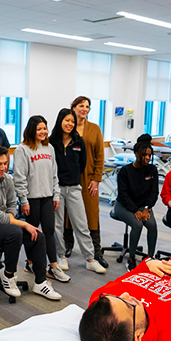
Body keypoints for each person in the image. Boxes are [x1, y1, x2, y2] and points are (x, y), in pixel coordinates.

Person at [0, 144, 62, 301]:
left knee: (37, 235)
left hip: (3, 224)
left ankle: (40, 282)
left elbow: (12, 205)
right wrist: (22, 224)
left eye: (5, 163)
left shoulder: (6, 179)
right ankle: (8, 274)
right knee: (16, 231)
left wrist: (13, 219)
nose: (3, 167)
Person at [50, 109, 106, 275]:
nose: (70, 124)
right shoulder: (51, 142)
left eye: (72, 122)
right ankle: (61, 256)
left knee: (81, 225)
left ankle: (90, 259)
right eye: (67, 120)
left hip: (74, 188)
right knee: (57, 226)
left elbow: (82, 165)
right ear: (60, 121)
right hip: (57, 189)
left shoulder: (78, 141)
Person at [13, 115, 68, 282]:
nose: (43, 131)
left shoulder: (49, 148)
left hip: (47, 197)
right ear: (31, 131)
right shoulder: (22, 150)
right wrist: (23, 200)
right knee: (33, 234)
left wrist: (56, 194)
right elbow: (19, 177)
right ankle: (30, 263)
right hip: (31, 199)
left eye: (45, 128)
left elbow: (54, 174)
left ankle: (53, 266)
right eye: (39, 129)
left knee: (49, 232)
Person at [64, 96, 108, 268]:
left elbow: (100, 156)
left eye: (87, 106)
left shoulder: (94, 129)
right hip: (69, 178)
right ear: (73, 107)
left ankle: (96, 251)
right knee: (67, 213)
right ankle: (68, 245)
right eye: (81, 106)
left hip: (89, 178)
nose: (84, 109)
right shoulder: (68, 127)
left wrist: (97, 179)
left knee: (92, 214)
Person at [112, 135, 159, 268]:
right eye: (144, 155)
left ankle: (151, 258)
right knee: (137, 225)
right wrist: (135, 210)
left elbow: (154, 193)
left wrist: (146, 208)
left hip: (143, 207)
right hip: (124, 205)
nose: (147, 158)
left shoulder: (152, 170)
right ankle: (131, 258)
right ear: (137, 154)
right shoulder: (125, 171)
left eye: (150, 155)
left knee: (152, 225)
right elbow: (123, 195)